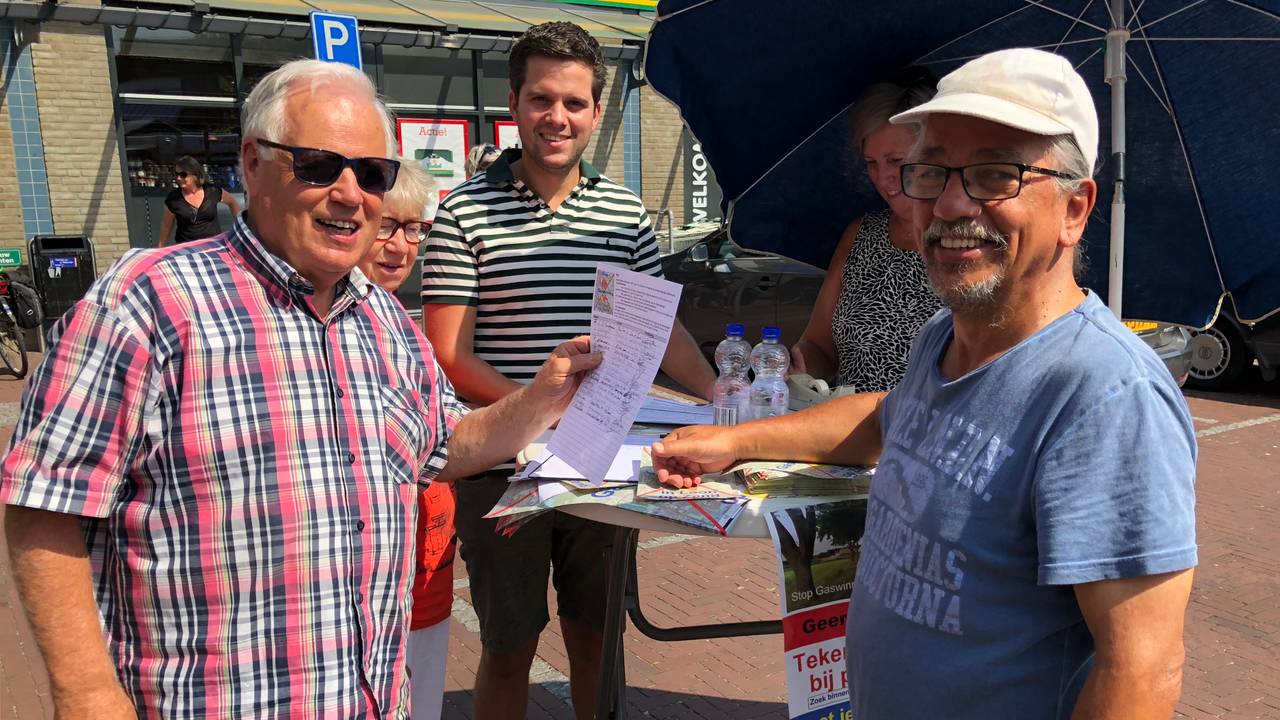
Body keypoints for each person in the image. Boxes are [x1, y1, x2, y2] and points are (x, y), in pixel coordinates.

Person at [1, 58, 601, 720]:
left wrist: (543, 396)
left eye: (373, 174)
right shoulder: (147, 302)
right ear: (254, 165)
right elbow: (45, 502)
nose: (351, 194)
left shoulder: (381, 318)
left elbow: (443, 444)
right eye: (320, 165)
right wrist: (85, 693)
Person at [651, 48, 1197, 719]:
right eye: (932, 170)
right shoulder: (945, 334)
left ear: (1075, 210)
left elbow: (1141, 670)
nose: (950, 202)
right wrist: (740, 443)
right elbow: (885, 421)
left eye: (997, 174)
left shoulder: (1105, 394)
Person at [421, 21, 716, 720]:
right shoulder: (465, 212)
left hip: (600, 458)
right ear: (515, 103)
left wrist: (716, 393)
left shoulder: (621, 213)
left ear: (594, 111)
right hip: (503, 463)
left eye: (575, 103)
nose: (558, 117)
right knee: (508, 643)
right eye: (542, 99)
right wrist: (541, 410)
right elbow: (450, 354)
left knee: (596, 634)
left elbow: (659, 330)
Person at [357, 158, 452, 720]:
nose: (402, 246)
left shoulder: (400, 324)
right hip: (377, 580)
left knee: (422, 694)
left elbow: (446, 426)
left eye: (415, 229)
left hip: (428, 559)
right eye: (389, 226)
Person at [790, 70, 942, 392]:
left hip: (925, 436)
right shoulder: (861, 234)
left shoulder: (968, 243)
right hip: (847, 434)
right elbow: (819, 344)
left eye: (896, 160)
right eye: (871, 162)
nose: (882, 176)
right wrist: (794, 365)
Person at [158, 155, 241, 246]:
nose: (178, 178)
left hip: (213, 246)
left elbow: (232, 202)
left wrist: (239, 228)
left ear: (195, 175)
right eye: (176, 174)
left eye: (183, 175)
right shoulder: (173, 199)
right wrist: (160, 246)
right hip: (187, 249)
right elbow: (166, 226)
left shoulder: (212, 191)